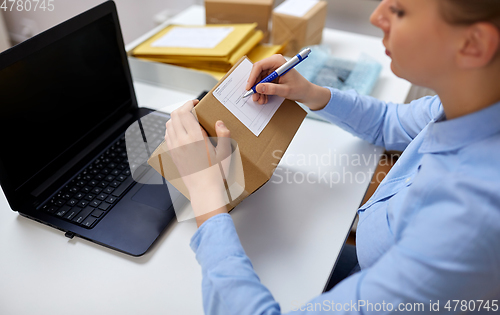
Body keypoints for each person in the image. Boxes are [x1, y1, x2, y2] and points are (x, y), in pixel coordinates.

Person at [164, 0, 500, 313]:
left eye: (398, 10)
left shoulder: (468, 223)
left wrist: (207, 198)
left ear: (474, 44)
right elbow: (390, 122)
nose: (376, 17)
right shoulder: (472, 104)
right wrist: (311, 93)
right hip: (372, 262)